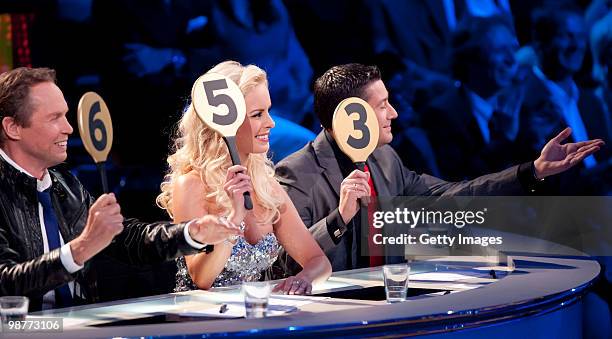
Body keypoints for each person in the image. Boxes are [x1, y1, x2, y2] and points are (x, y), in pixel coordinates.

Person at [274, 63, 604, 274]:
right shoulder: (297, 173)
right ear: (350, 116)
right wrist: (339, 218)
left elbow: (450, 196)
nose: (394, 113)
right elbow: (284, 265)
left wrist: (532, 171)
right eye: (382, 105)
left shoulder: (385, 160)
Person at [0, 67, 243, 311]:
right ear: (13, 128)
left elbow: (125, 238)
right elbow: (6, 282)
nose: (69, 128)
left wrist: (191, 233)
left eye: (65, 115)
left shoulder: (64, 183)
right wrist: (80, 249)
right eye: (54, 118)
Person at [156, 61, 331, 294]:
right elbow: (202, 278)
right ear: (223, 121)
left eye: (269, 111)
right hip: (203, 321)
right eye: (258, 114)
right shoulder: (191, 185)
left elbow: (319, 262)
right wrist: (234, 217)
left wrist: (303, 279)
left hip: (256, 316)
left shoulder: (266, 185)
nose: (271, 123)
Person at [423, 15, 523, 180]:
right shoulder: (442, 116)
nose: (512, 60)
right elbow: (464, 187)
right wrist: (504, 140)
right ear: (471, 58)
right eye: (500, 51)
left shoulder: (519, 107)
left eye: (514, 49)